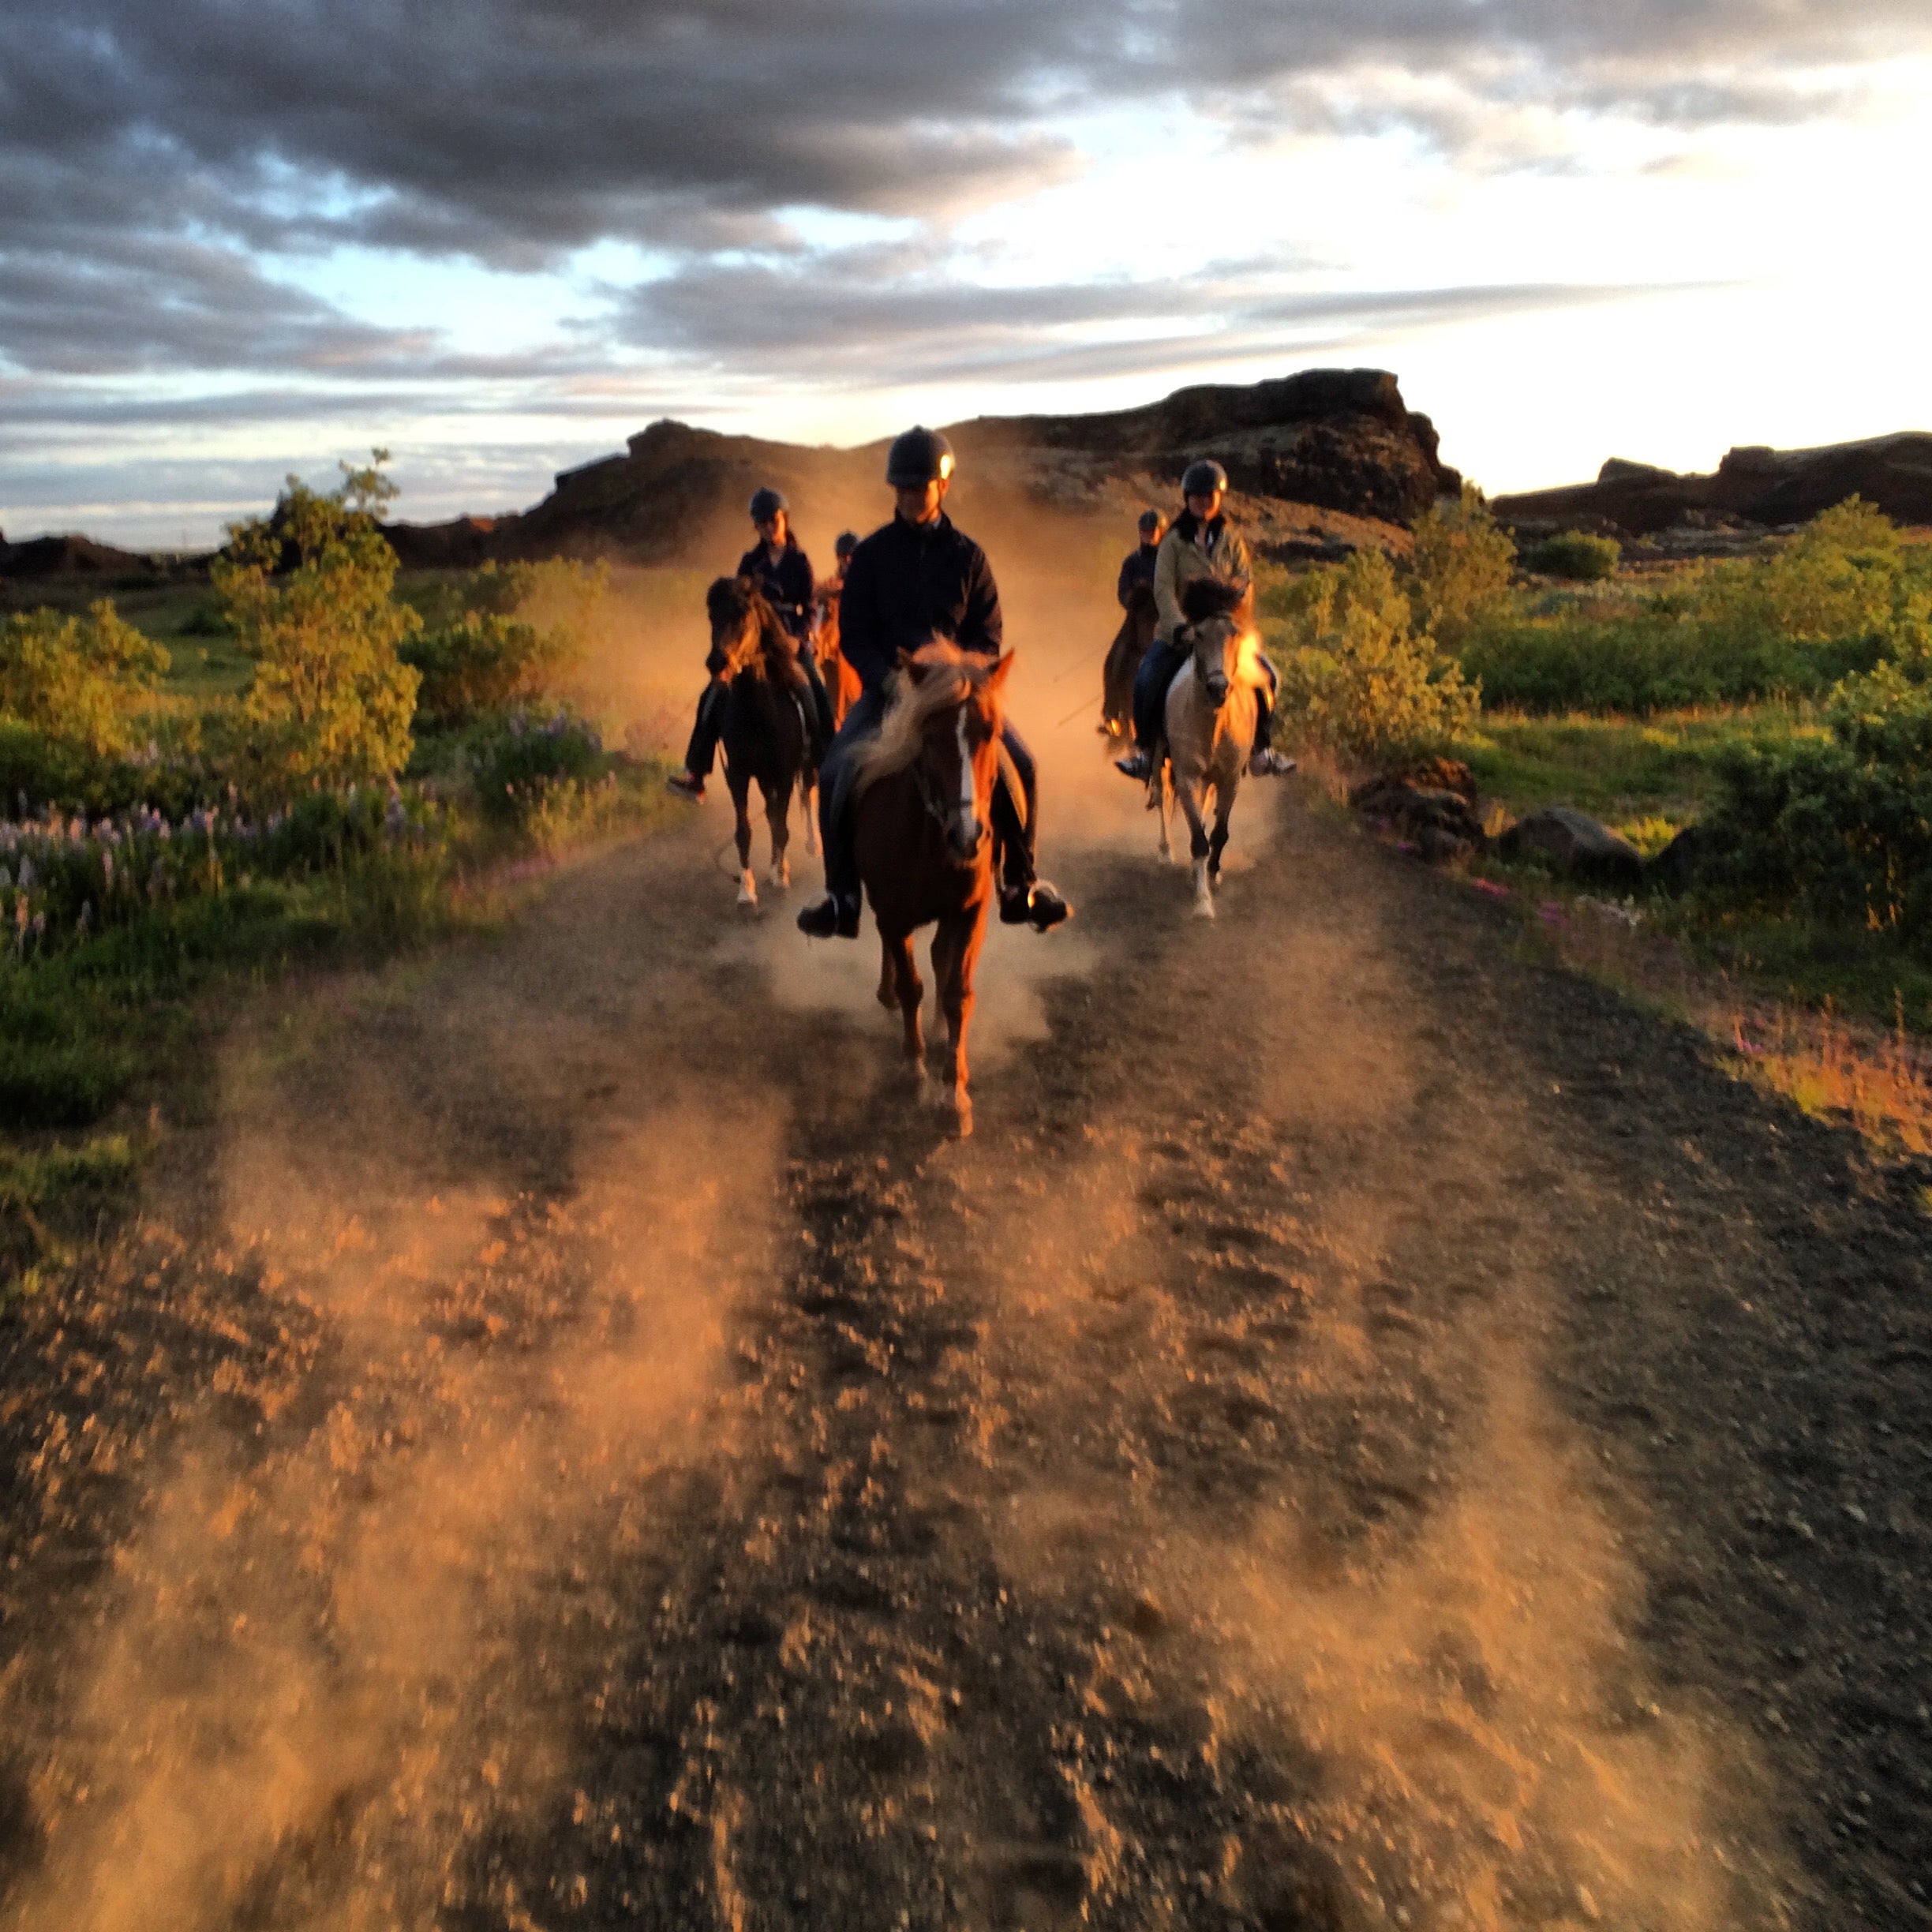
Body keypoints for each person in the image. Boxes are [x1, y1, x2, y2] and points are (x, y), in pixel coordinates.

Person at [796, 428, 1072, 941]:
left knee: (1024, 766)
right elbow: (856, 633)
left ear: (941, 488)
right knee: (835, 770)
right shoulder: (873, 556)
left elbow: (987, 635)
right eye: (900, 488)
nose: (908, 496)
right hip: (891, 694)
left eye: (918, 487)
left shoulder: (970, 557)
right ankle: (842, 897)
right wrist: (890, 680)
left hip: (957, 698)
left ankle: (1020, 886)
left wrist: (958, 680)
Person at [1115, 460, 1295, 782]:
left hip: (1224, 634)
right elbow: (1163, 588)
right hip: (1182, 632)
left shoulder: (1232, 540)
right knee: (1146, 676)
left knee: (1270, 678)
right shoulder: (1172, 542)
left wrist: (1238, 621)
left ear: (1219, 497)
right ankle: (1144, 752)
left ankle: (1261, 750)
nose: (1202, 500)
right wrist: (1178, 626)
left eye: (1208, 495)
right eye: (1196, 495)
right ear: (1186, 498)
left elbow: (1245, 581)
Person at [666, 487, 834, 801]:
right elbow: (736, 604)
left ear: (784, 520)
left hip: (789, 642)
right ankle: (696, 776)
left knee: (815, 691)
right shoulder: (750, 561)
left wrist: (801, 638)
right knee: (712, 696)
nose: (768, 527)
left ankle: (825, 761)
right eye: (761, 523)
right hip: (752, 644)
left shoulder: (799, 561)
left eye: (772, 520)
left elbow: (810, 607)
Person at [1117, 509, 1166, 608]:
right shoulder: (1131, 562)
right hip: (1139, 613)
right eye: (1144, 530)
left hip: (1166, 613)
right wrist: (1133, 603)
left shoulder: (1171, 560)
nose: (1148, 534)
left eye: (1152, 530)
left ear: (1162, 532)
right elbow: (1123, 592)